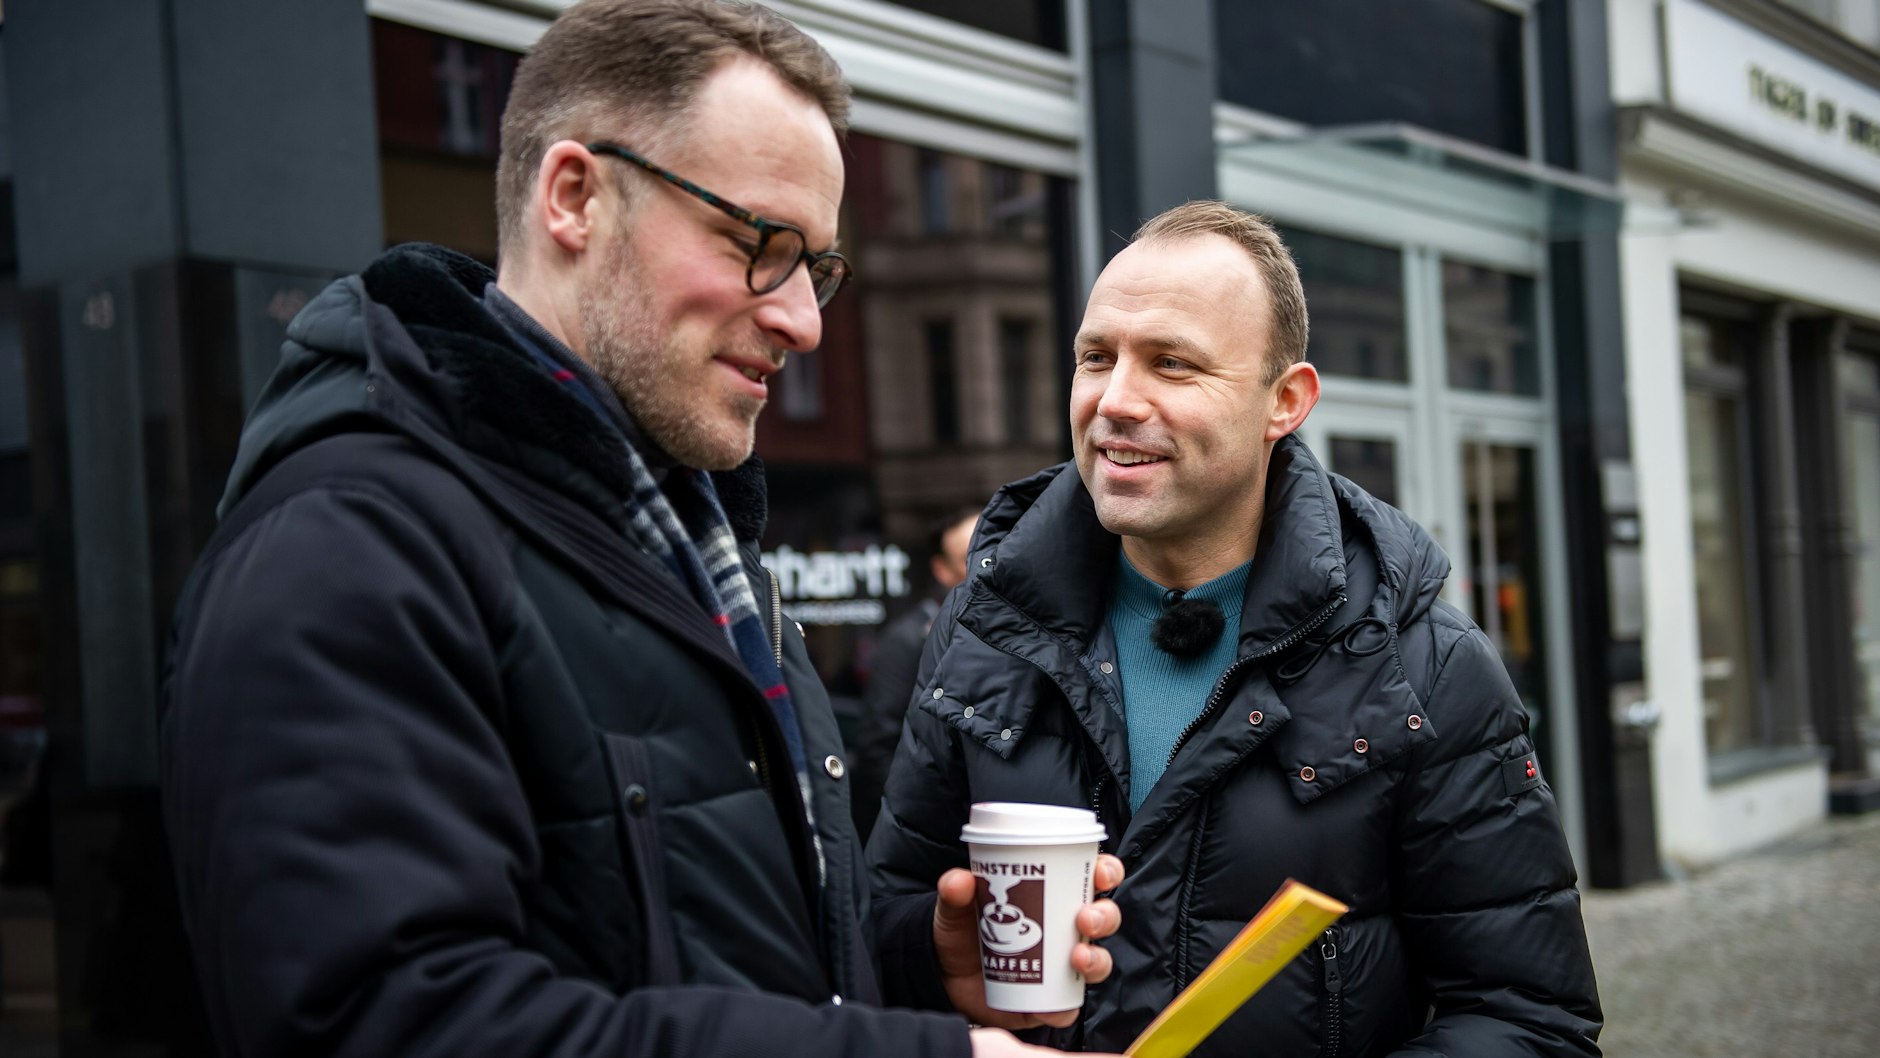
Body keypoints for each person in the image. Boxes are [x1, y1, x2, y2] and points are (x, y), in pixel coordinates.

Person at [158, 3, 1123, 1057]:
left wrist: (907, 960)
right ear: (575, 195)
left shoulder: (695, 542)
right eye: (759, 243)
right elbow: (382, 1020)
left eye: (818, 268)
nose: (803, 317)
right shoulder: (346, 546)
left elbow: (682, 936)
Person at [869, 201, 1605, 1057]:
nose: (1113, 401)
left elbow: (1532, 1022)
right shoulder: (984, 625)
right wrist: (935, 960)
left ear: (1284, 402)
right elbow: (878, 929)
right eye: (1095, 357)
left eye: (1172, 364)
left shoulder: (1421, 664)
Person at [852, 506, 979, 841]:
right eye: (972, 557)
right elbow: (879, 751)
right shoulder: (908, 640)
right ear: (942, 570)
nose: (988, 564)